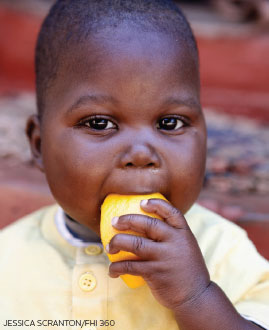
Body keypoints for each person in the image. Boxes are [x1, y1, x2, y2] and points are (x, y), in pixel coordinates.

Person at [0, 1, 268, 329]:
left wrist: (195, 296)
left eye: (170, 123)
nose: (141, 154)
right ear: (39, 145)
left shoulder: (226, 252)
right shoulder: (8, 261)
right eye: (99, 123)